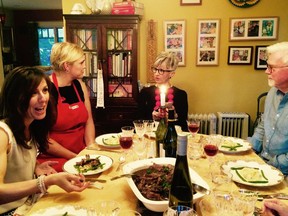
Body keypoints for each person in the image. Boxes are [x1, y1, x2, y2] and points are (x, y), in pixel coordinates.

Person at [0, 67, 89, 215]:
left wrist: (36, 166)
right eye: (33, 93)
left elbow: (16, 161)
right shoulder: (3, 134)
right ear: (15, 97)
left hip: (29, 202)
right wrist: (46, 181)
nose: (43, 98)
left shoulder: (32, 126)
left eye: (45, 90)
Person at [37, 42, 96, 172]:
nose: (84, 66)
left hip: (81, 154)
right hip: (55, 159)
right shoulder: (45, 89)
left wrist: (90, 148)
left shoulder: (80, 85)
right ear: (67, 66)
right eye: (81, 63)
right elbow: (43, 139)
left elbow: (89, 121)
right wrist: (75, 157)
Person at [250, 42, 288, 176]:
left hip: (283, 173)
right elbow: (264, 124)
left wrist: (267, 166)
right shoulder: (273, 92)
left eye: (271, 67)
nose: (266, 71)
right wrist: (250, 147)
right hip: (263, 163)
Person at [138, 51, 188, 131]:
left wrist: (174, 116)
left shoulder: (181, 95)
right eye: (155, 69)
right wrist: (152, 117)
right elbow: (138, 120)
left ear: (172, 74)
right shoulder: (145, 92)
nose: (156, 74)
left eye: (161, 70)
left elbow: (183, 126)